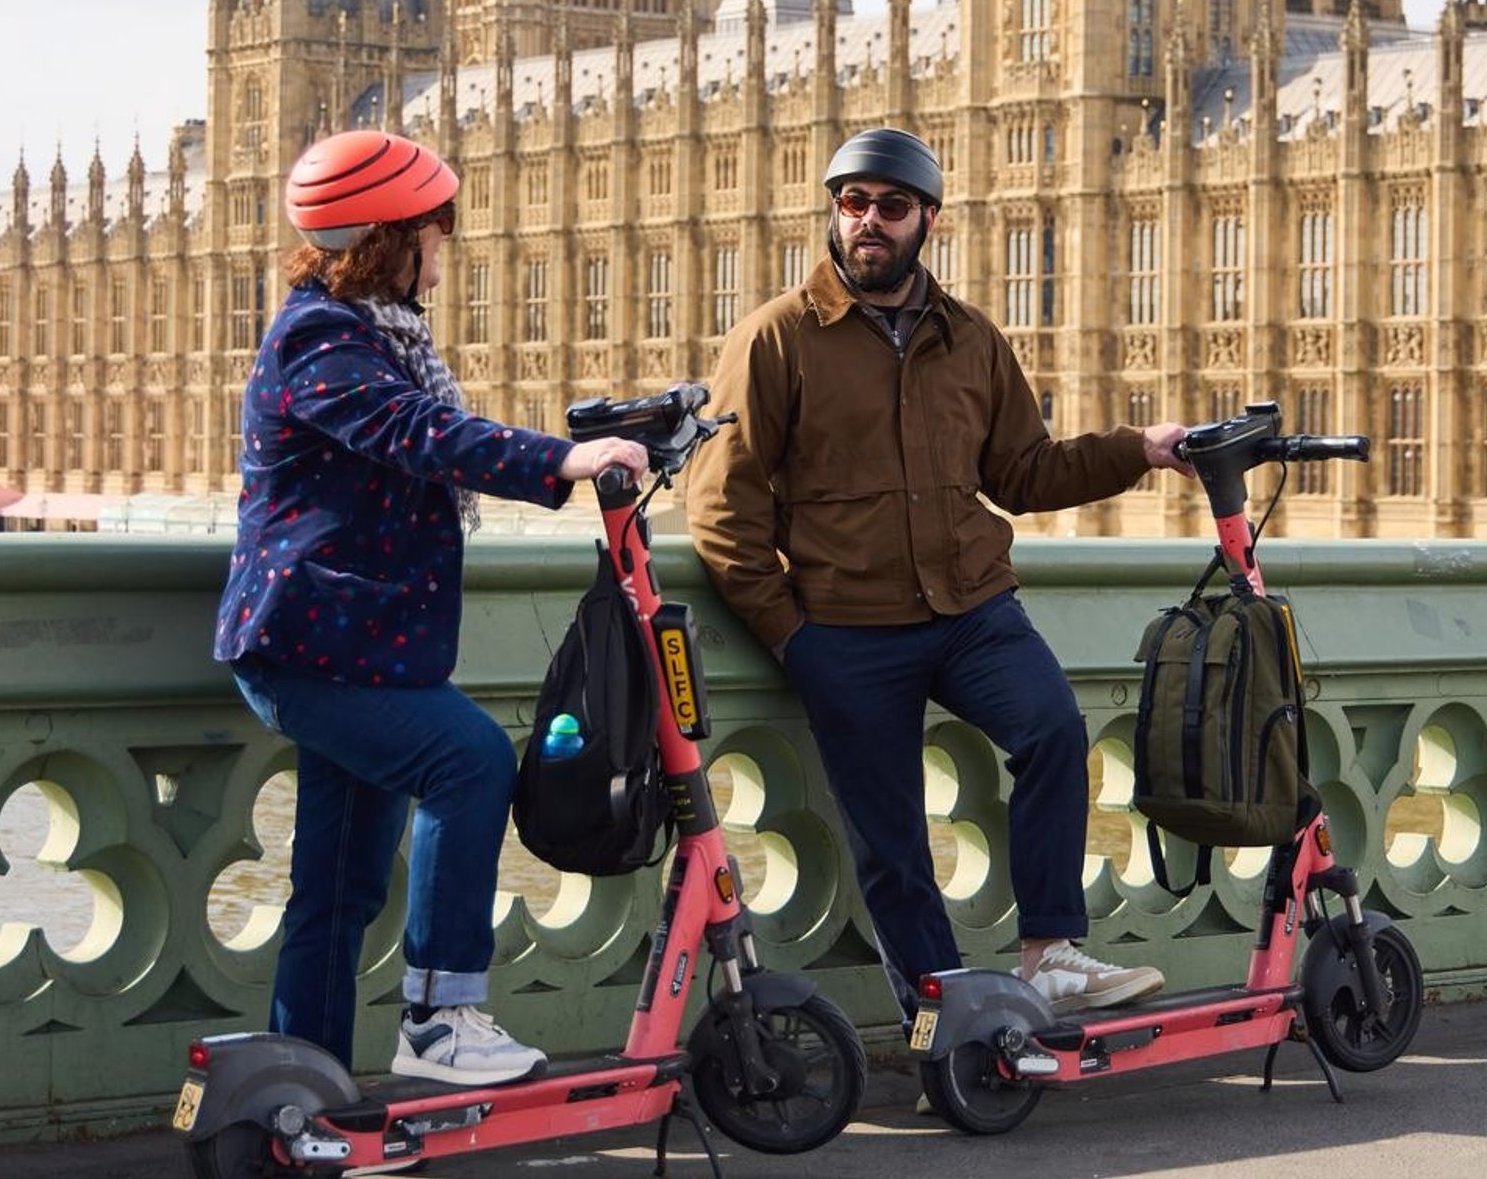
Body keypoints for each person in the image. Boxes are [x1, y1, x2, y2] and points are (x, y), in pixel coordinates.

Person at [684, 126, 1193, 1022]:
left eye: (890, 206)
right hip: (845, 629)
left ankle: (1049, 955)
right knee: (894, 848)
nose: (867, 222)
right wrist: (792, 638)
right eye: (851, 204)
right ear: (833, 215)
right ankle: (949, 1024)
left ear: (928, 220)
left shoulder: (970, 339)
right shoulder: (776, 338)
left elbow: (1024, 474)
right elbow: (722, 503)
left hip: (970, 610)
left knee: (1054, 734)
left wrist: (1138, 449)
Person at [215, 130, 647, 1084]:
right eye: (435, 233)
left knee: (337, 888)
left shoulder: (372, 335)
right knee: (470, 759)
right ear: (389, 240)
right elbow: (420, 434)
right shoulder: (321, 339)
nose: (446, 252)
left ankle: (302, 1082)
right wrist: (562, 461)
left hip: (356, 647)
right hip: (308, 647)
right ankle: (441, 1020)